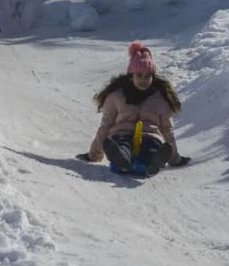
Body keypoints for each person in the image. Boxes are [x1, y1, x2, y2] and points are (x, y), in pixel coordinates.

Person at [76, 42, 189, 176]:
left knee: (152, 148)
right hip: (122, 134)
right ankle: (121, 159)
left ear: (153, 76)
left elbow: (167, 129)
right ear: (131, 76)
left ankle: (153, 162)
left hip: (150, 136)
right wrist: (93, 155)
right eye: (139, 75)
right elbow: (106, 126)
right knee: (122, 146)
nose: (143, 80)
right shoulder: (117, 96)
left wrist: (174, 158)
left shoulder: (160, 98)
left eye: (148, 76)